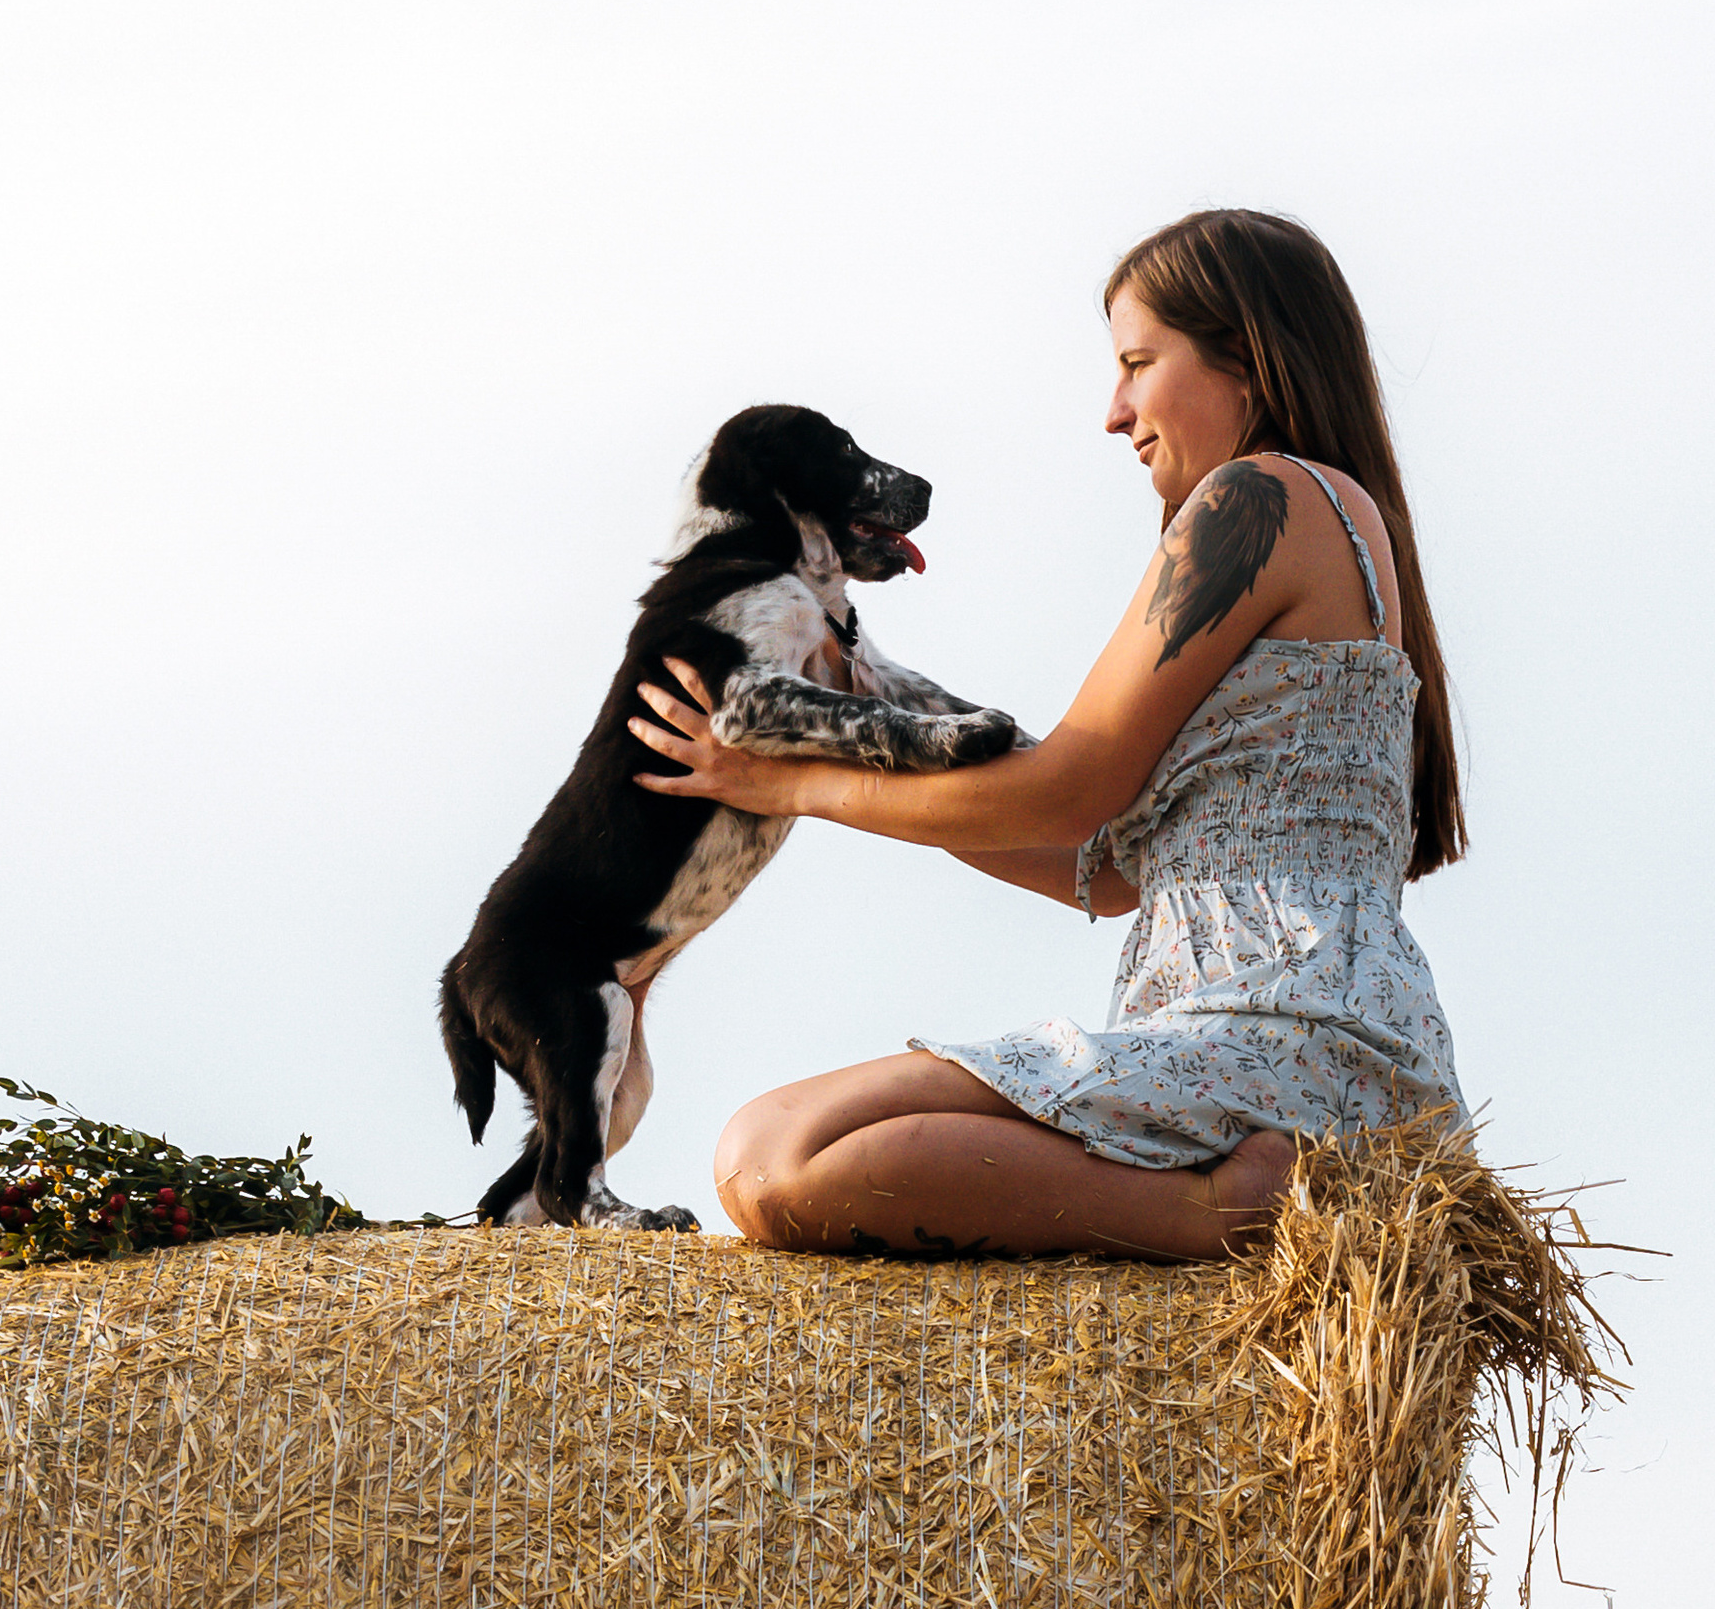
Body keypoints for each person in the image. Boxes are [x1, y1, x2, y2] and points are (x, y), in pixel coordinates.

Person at [628, 210, 1469, 1260]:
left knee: (774, 1158)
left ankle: (1219, 1212)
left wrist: (792, 782)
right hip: (1315, 1039)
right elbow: (1099, 865)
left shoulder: (1261, 497)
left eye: (1137, 364)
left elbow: (1069, 786)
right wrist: (853, 750)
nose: (1114, 412)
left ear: (1246, 356)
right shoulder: (1323, 519)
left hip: (1280, 1034)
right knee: (774, 1144)